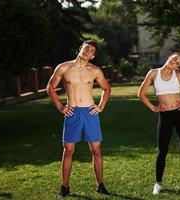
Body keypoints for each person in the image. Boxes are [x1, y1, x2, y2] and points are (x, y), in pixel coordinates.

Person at [46, 40, 111, 198]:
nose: (88, 51)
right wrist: (61, 107)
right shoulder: (64, 67)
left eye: (91, 50)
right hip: (72, 112)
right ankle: (65, 187)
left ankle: (100, 185)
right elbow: (50, 87)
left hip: (90, 113)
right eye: (86, 48)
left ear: (93, 56)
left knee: (96, 149)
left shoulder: (95, 70)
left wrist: (101, 106)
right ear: (80, 48)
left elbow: (107, 88)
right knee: (68, 151)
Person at [137, 52, 180, 195]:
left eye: (177, 63)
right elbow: (141, 94)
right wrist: (153, 107)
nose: (174, 62)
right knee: (162, 151)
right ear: (169, 56)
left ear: (178, 67)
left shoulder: (179, 75)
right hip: (165, 116)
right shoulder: (153, 73)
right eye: (174, 58)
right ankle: (158, 184)